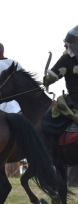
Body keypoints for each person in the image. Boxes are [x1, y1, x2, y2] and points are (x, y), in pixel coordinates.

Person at [42, 24, 78, 157]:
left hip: (75, 101)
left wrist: (45, 81)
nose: (65, 47)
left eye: (67, 44)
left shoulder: (67, 59)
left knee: (47, 121)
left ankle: (50, 158)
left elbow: (51, 77)